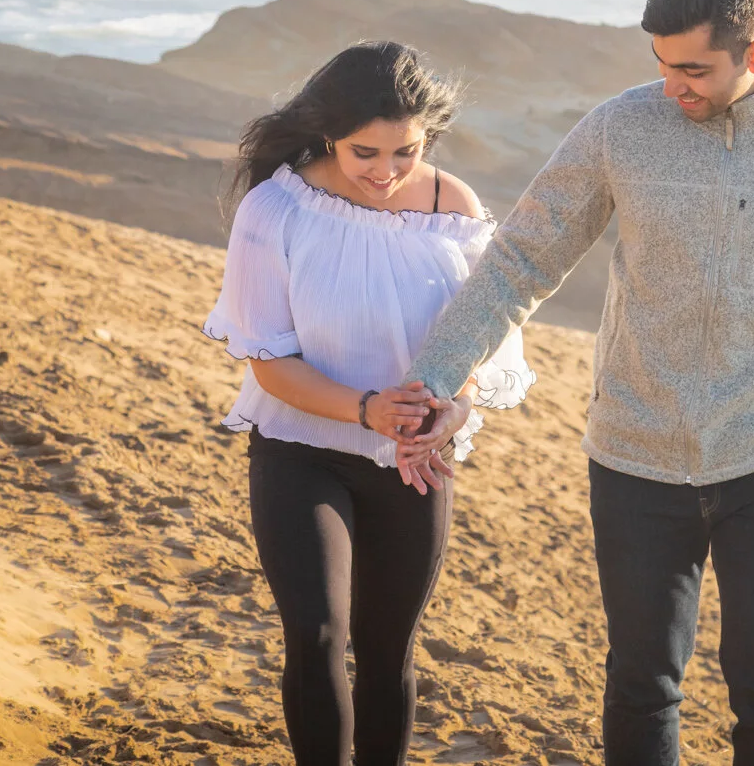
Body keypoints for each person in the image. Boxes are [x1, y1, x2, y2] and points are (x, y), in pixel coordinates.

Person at [395, 0, 754, 766]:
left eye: (693, 70)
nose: (672, 86)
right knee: (642, 684)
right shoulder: (621, 128)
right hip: (634, 456)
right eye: (662, 64)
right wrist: (433, 377)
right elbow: (520, 259)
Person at [200, 41, 534, 766]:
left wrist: (456, 410)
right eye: (365, 152)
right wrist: (365, 408)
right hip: (300, 454)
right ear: (329, 133)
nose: (385, 171)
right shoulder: (275, 209)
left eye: (406, 151)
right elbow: (267, 362)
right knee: (317, 634)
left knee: (388, 650)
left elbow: (480, 340)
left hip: (410, 461)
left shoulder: (455, 208)